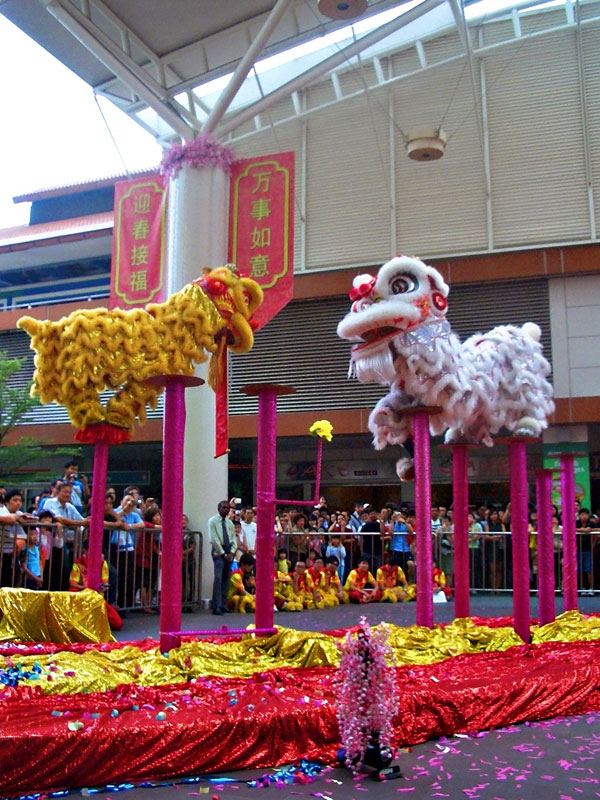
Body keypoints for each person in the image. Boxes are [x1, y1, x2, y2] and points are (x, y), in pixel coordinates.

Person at [109, 493, 143, 610]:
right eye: (127, 500)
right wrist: (124, 510)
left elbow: (142, 524)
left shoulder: (135, 514)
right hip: (114, 547)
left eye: (132, 501)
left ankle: (124, 605)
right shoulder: (115, 511)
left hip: (129, 548)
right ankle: (112, 603)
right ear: (121, 501)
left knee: (127, 577)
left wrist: (128, 526)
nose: (130, 503)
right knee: (114, 575)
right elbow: (114, 519)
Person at [0, 489, 33, 587]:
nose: (18, 503)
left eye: (20, 500)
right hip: (1, 553)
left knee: (13, 581)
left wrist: (18, 546)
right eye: (15, 500)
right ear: (7, 502)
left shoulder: (18, 514)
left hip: (10, 554)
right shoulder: (2, 511)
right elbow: (10, 519)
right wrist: (18, 517)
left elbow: (23, 536)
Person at [208, 499, 235, 615]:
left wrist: (232, 552)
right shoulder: (212, 521)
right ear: (219, 509)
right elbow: (214, 539)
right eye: (224, 508)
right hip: (218, 551)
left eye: (228, 508)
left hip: (229, 550)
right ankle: (217, 606)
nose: (226, 510)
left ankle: (224, 604)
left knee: (226, 578)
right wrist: (223, 553)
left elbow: (233, 538)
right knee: (218, 578)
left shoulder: (229, 523)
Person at [135, 506, 161, 612]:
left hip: (151, 556)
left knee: (150, 581)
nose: (158, 517)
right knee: (144, 581)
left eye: (159, 515)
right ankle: (145, 605)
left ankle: (148, 604)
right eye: (156, 515)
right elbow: (146, 524)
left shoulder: (154, 530)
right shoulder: (148, 526)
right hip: (143, 556)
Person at [359, 506, 386, 572]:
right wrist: (361, 551)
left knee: (378, 569)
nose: (373, 515)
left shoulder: (379, 525)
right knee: (368, 569)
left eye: (374, 514)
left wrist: (381, 520)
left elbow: (383, 532)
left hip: (378, 551)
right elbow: (361, 539)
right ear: (369, 515)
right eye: (371, 514)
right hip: (367, 551)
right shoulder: (365, 526)